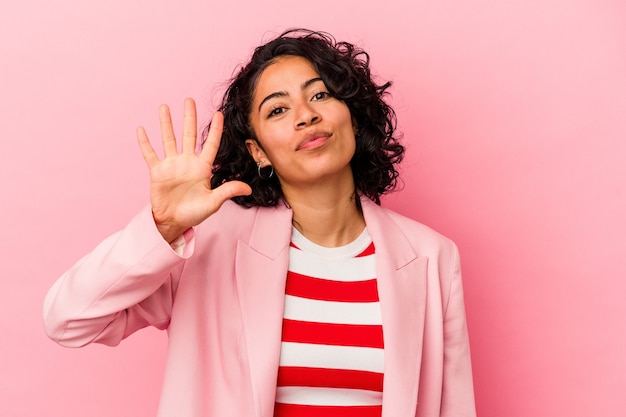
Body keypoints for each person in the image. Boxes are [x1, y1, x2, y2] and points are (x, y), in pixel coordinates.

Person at [43, 28, 476, 417]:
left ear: (353, 116)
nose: (305, 115)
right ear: (258, 152)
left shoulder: (431, 257)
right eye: (277, 111)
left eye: (320, 95)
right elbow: (68, 319)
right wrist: (163, 228)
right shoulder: (208, 245)